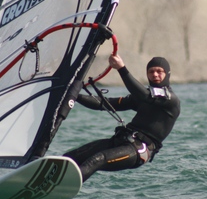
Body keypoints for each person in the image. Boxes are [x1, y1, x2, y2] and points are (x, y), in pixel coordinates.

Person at [64, 54, 181, 182]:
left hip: (138, 150)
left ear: (167, 74)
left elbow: (145, 96)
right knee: (70, 158)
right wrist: (75, 96)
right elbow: (105, 104)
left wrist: (121, 68)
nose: (155, 74)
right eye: (151, 71)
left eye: (159, 71)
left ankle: (64, 185)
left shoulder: (170, 99)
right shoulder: (142, 97)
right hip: (121, 140)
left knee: (96, 160)